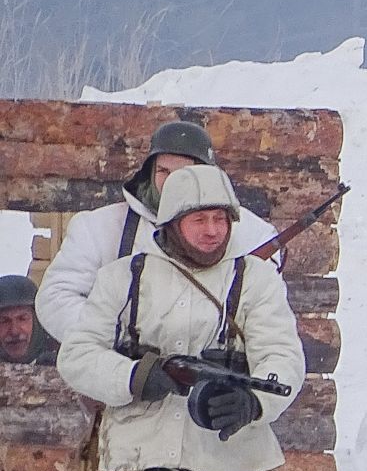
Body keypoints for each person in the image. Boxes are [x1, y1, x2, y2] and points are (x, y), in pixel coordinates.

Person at [55, 166, 306, 471]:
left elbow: (283, 358)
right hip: (149, 455)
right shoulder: (123, 278)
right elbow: (78, 356)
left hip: (235, 456)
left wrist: (253, 402)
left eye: (220, 218)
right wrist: (138, 376)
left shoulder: (255, 279)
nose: (213, 230)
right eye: (199, 220)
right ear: (170, 224)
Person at [36, 120, 274, 343]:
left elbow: (268, 321)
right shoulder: (99, 228)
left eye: (184, 173)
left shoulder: (253, 235)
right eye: (163, 171)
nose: (170, 182)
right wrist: (115, 344)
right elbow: (56, 298)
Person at [0, 275, 57, 365]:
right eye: (4, 321)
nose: (14, 331)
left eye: (22, 319)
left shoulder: (66, 358)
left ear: (37, 320)